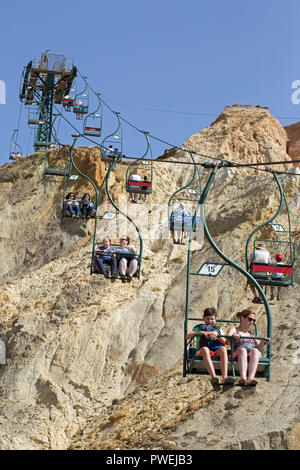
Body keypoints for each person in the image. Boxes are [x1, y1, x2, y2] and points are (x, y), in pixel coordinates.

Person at [186, 307, 235, 387]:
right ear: (204, 319)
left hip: (216, 350)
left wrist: (217, 335)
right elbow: (187, 336)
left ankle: (225, 378)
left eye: (212, 319)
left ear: (215, 319)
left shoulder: (218, 329)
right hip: (203, 350)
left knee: (223, 349)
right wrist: (200, 333)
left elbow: (225, 342)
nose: (210, 321)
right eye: (207, 318)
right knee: (205, 349)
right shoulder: (200, 327)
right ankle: (214, 377)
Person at [227, 309, 270, 386]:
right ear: (242, 318)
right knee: (243, 350)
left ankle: (251, 378)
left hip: (250, 353)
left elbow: (259, 347)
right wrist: (233, 336)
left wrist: (263, 341)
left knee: (255, 351)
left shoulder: (252, 335)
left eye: (254, 320)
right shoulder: (234, 330)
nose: (252, 322)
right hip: (238, 352)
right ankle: (243, 378)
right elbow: (228, 338)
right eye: (250, 319)